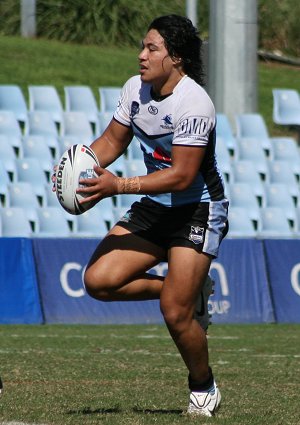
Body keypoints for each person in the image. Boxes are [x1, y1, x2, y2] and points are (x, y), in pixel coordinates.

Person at [53, 14, 228, 417]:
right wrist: (80, 165)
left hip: (198, 208)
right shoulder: (136, 90)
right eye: (142, 46)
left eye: (152, 48)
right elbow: (113, 140)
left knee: (174, 313)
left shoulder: (195, 103)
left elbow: (183, 175)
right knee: (98, 281)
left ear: (177, 58)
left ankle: (203, 387)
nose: (141, 55)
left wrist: (119, 186)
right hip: (155, 208)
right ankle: (186, 292)